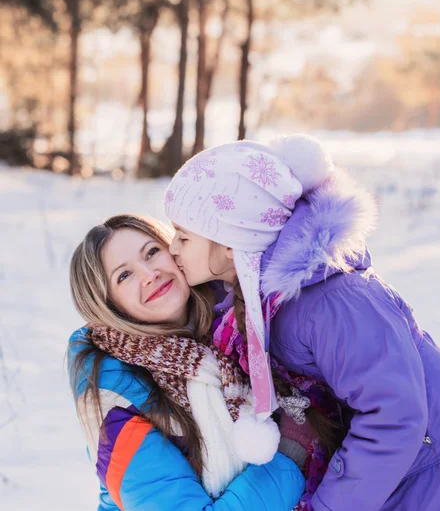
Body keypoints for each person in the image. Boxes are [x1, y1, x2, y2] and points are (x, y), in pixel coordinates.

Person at [164, 134, 440, 511]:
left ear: (231, 243)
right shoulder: (251, 296)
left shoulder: (331, 302)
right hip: (415, 468)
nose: (171, 248)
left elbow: (394, 415)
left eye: (183, 237)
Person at [67, 214, 310, 511]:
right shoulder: (114, 403)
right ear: (108, 306)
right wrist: (292, 455)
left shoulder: (236, 324)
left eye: (152, 252)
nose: (149, 273)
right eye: (124, 275)